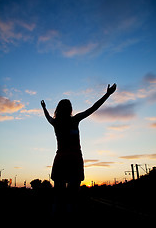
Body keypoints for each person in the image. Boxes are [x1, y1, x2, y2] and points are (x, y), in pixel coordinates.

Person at [41, 83, 116, 214]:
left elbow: (48, 117)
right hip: (75, 159)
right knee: (73, 194)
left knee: (58, 194)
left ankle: (57, 214)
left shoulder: (56, 123)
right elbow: (93, 108)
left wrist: (44, 108)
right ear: (70, 109)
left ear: (58, 109)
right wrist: (107, 94)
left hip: (61, 159)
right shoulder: (75, 120)